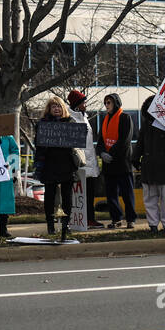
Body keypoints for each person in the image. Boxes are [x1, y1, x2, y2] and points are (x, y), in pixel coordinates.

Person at [132, 94, 165, 234]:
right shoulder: (146, 125)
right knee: (151, 199)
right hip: (152, 166)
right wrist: (135, 158)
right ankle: (154, 225)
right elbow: (140, 143)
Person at [34, 97, 79, 241]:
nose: (56, 109)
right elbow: (38, 143)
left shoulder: (70, 122)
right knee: (50, 196)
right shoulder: (42, 124)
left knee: (67, 197)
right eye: (53, 106)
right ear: (49, 109)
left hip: (66, 163)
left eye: (59, 106)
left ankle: (66, 224)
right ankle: (50, 225)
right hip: (49, 164)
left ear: (63, 108)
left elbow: (77, 140)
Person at [96, 92, 136, 229]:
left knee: (127, 193)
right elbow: (100, 139)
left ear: (116, 103)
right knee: (111, 194)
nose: (107, 105)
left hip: (122, 162)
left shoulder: (125, 117)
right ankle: (116, 219)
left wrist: (110, 153)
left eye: (109, 102)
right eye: (105, 103)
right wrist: (102, 152)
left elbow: (125, 140)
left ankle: (131, 219)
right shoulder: (105, 119)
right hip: (109, 164)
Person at [67, 90, 105, 228]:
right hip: (81, 163)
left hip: (90, 161)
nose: (85, 104)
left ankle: (90, 218)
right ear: (77, 104)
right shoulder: (71, 119)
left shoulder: (84, 117)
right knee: (81, 195)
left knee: (89, 193)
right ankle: (82, 220)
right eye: (83, 102)